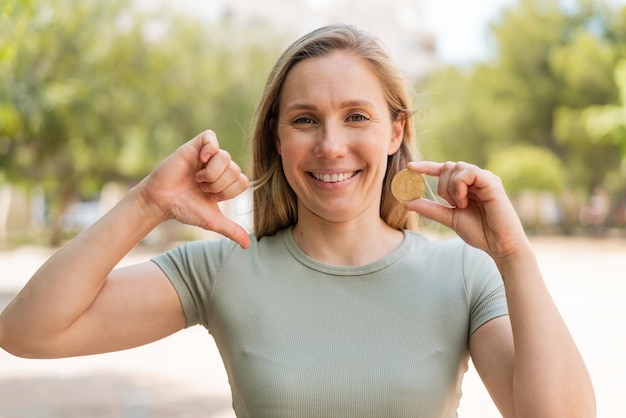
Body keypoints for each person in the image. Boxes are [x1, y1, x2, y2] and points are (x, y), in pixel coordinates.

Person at [0, 24, 595, 417]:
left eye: (356, 117)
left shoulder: (465, 276)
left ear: (396, 132)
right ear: (277, 140)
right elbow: (28, 332)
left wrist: (514, 258)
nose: (331, 145)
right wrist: (146, 202)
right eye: (305, 120)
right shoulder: (223, 267)